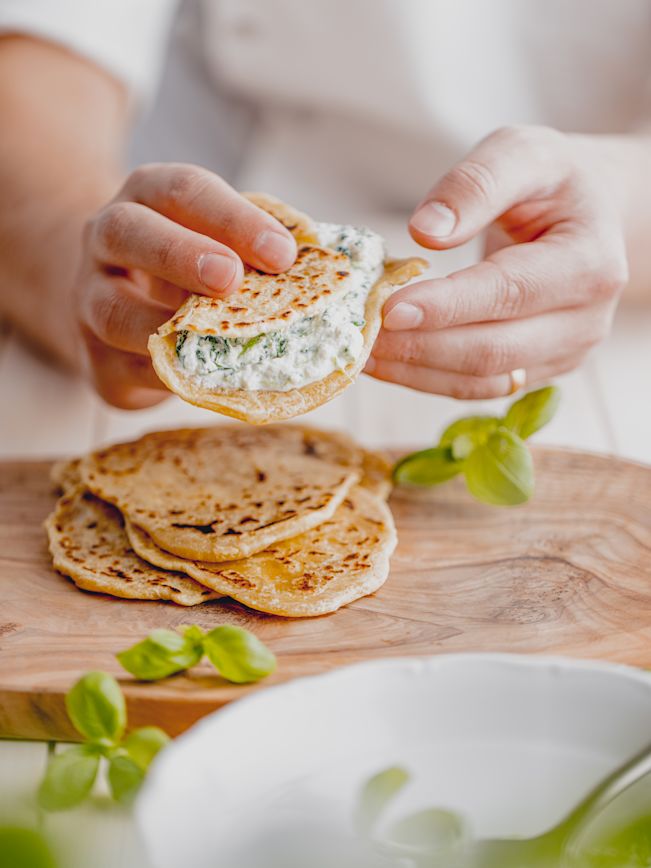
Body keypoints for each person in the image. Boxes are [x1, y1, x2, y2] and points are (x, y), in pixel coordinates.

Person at [0, 0, 648, 413]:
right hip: (187, 258)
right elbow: (31, 84)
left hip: (607, 362)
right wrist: (78, 261)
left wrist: (617, 202)